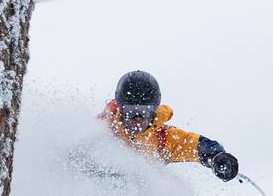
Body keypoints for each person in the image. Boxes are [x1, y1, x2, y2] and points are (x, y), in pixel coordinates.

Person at [99, 70, 239, 181]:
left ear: (154, 110)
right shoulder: (105, 126)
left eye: (144, 112)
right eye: (131, 111)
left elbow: (197, 145)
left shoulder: (163, 139)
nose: (137, 119)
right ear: (121, 108)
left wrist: (218, 157)